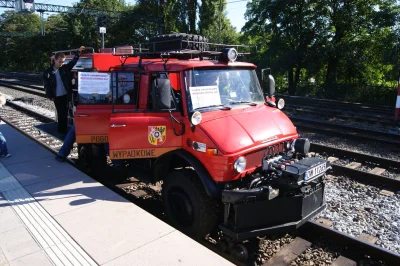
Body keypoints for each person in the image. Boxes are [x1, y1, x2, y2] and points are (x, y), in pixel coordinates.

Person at [43, 46, 85, 134]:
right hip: (56, 96)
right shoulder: (48, 72)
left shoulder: (65, 68)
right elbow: (47, 85)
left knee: (65, 113)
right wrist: (50, 96)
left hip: (65, 95)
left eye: (63, 61)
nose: (61, 63)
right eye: (60, 61)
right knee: (60, 113)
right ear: (55, 60)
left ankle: (63, 130)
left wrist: (78, 52)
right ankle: (61, 130)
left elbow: (73, 62)